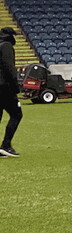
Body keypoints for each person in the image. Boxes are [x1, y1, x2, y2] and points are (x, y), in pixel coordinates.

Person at [0, 27, 23, 157]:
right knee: (16, 114)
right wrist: (15, 88)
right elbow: (9, 68)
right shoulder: (6, 46)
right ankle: (6, 145)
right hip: (4, 87)